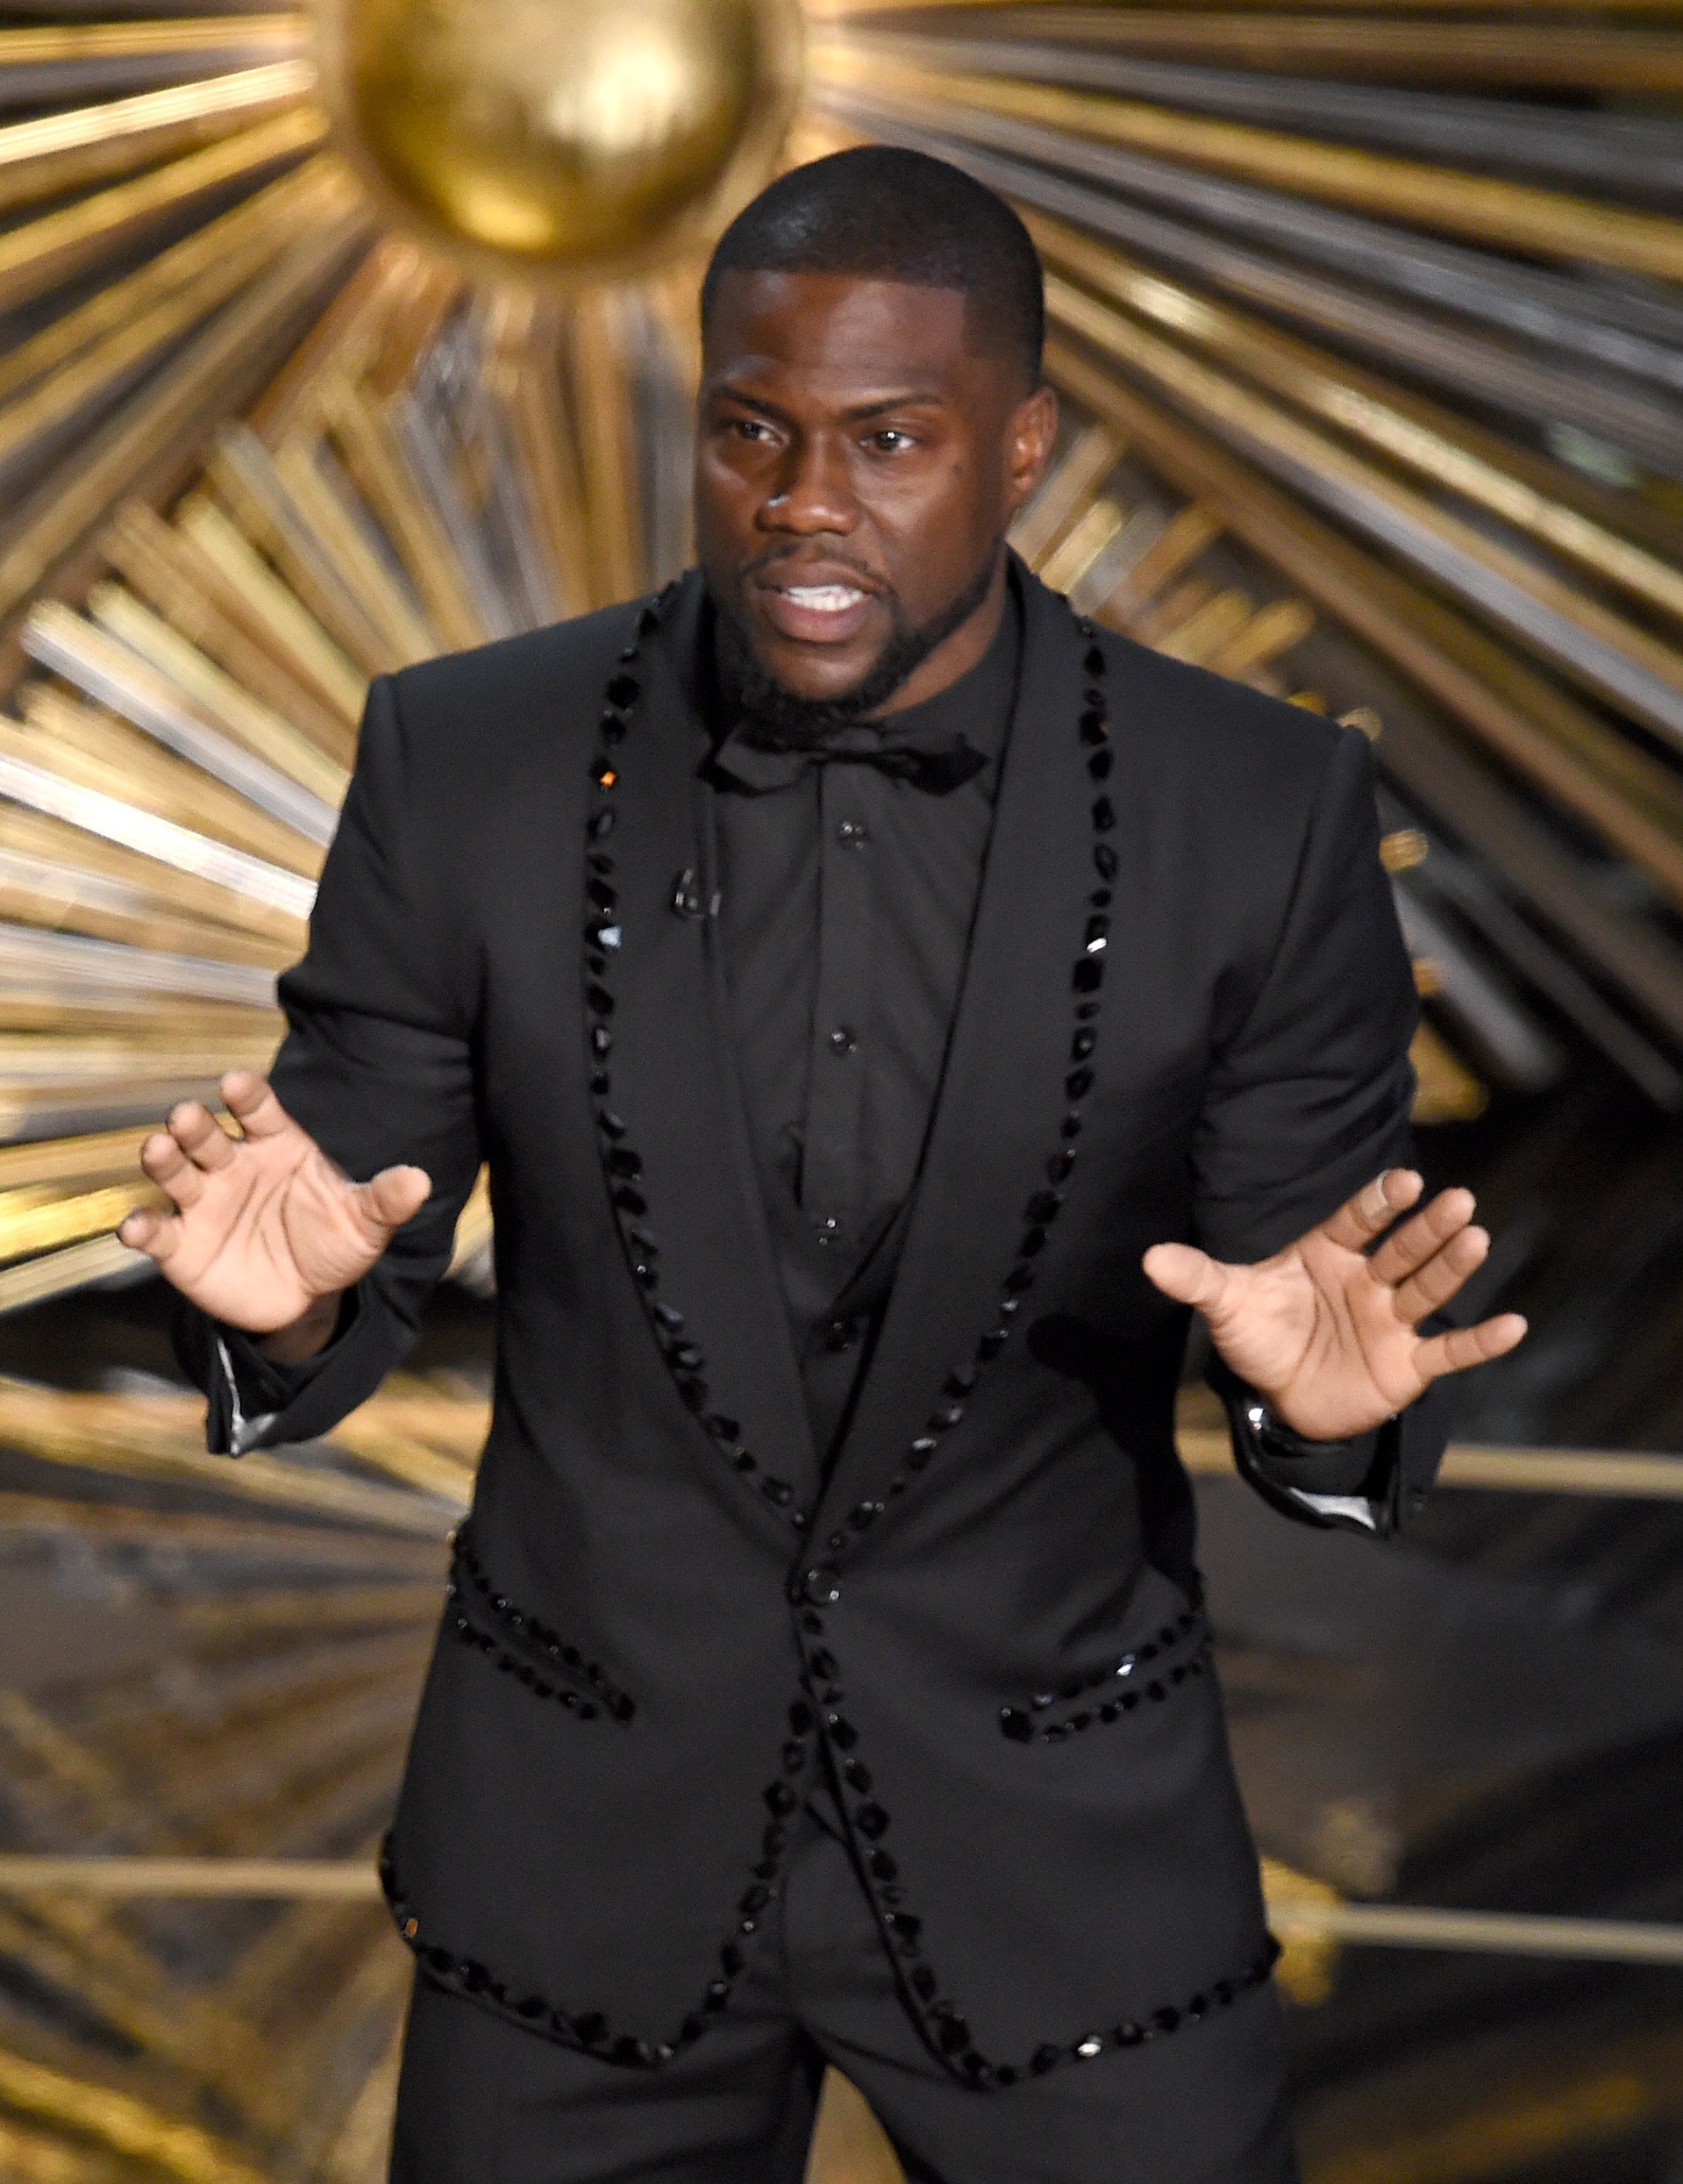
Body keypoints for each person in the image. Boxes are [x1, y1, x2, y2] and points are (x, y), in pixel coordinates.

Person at [121, 147, 1527, 2184]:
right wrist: (289, 1307)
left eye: (891, 441)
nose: (805, 503)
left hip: (1065, 1870)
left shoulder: (1262, 806)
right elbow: (349, 1199)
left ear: (1021, 443)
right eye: (755, 432)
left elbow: (1312, 1295)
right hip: (579, 1854)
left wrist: (1313, 1424)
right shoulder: (468, 759)